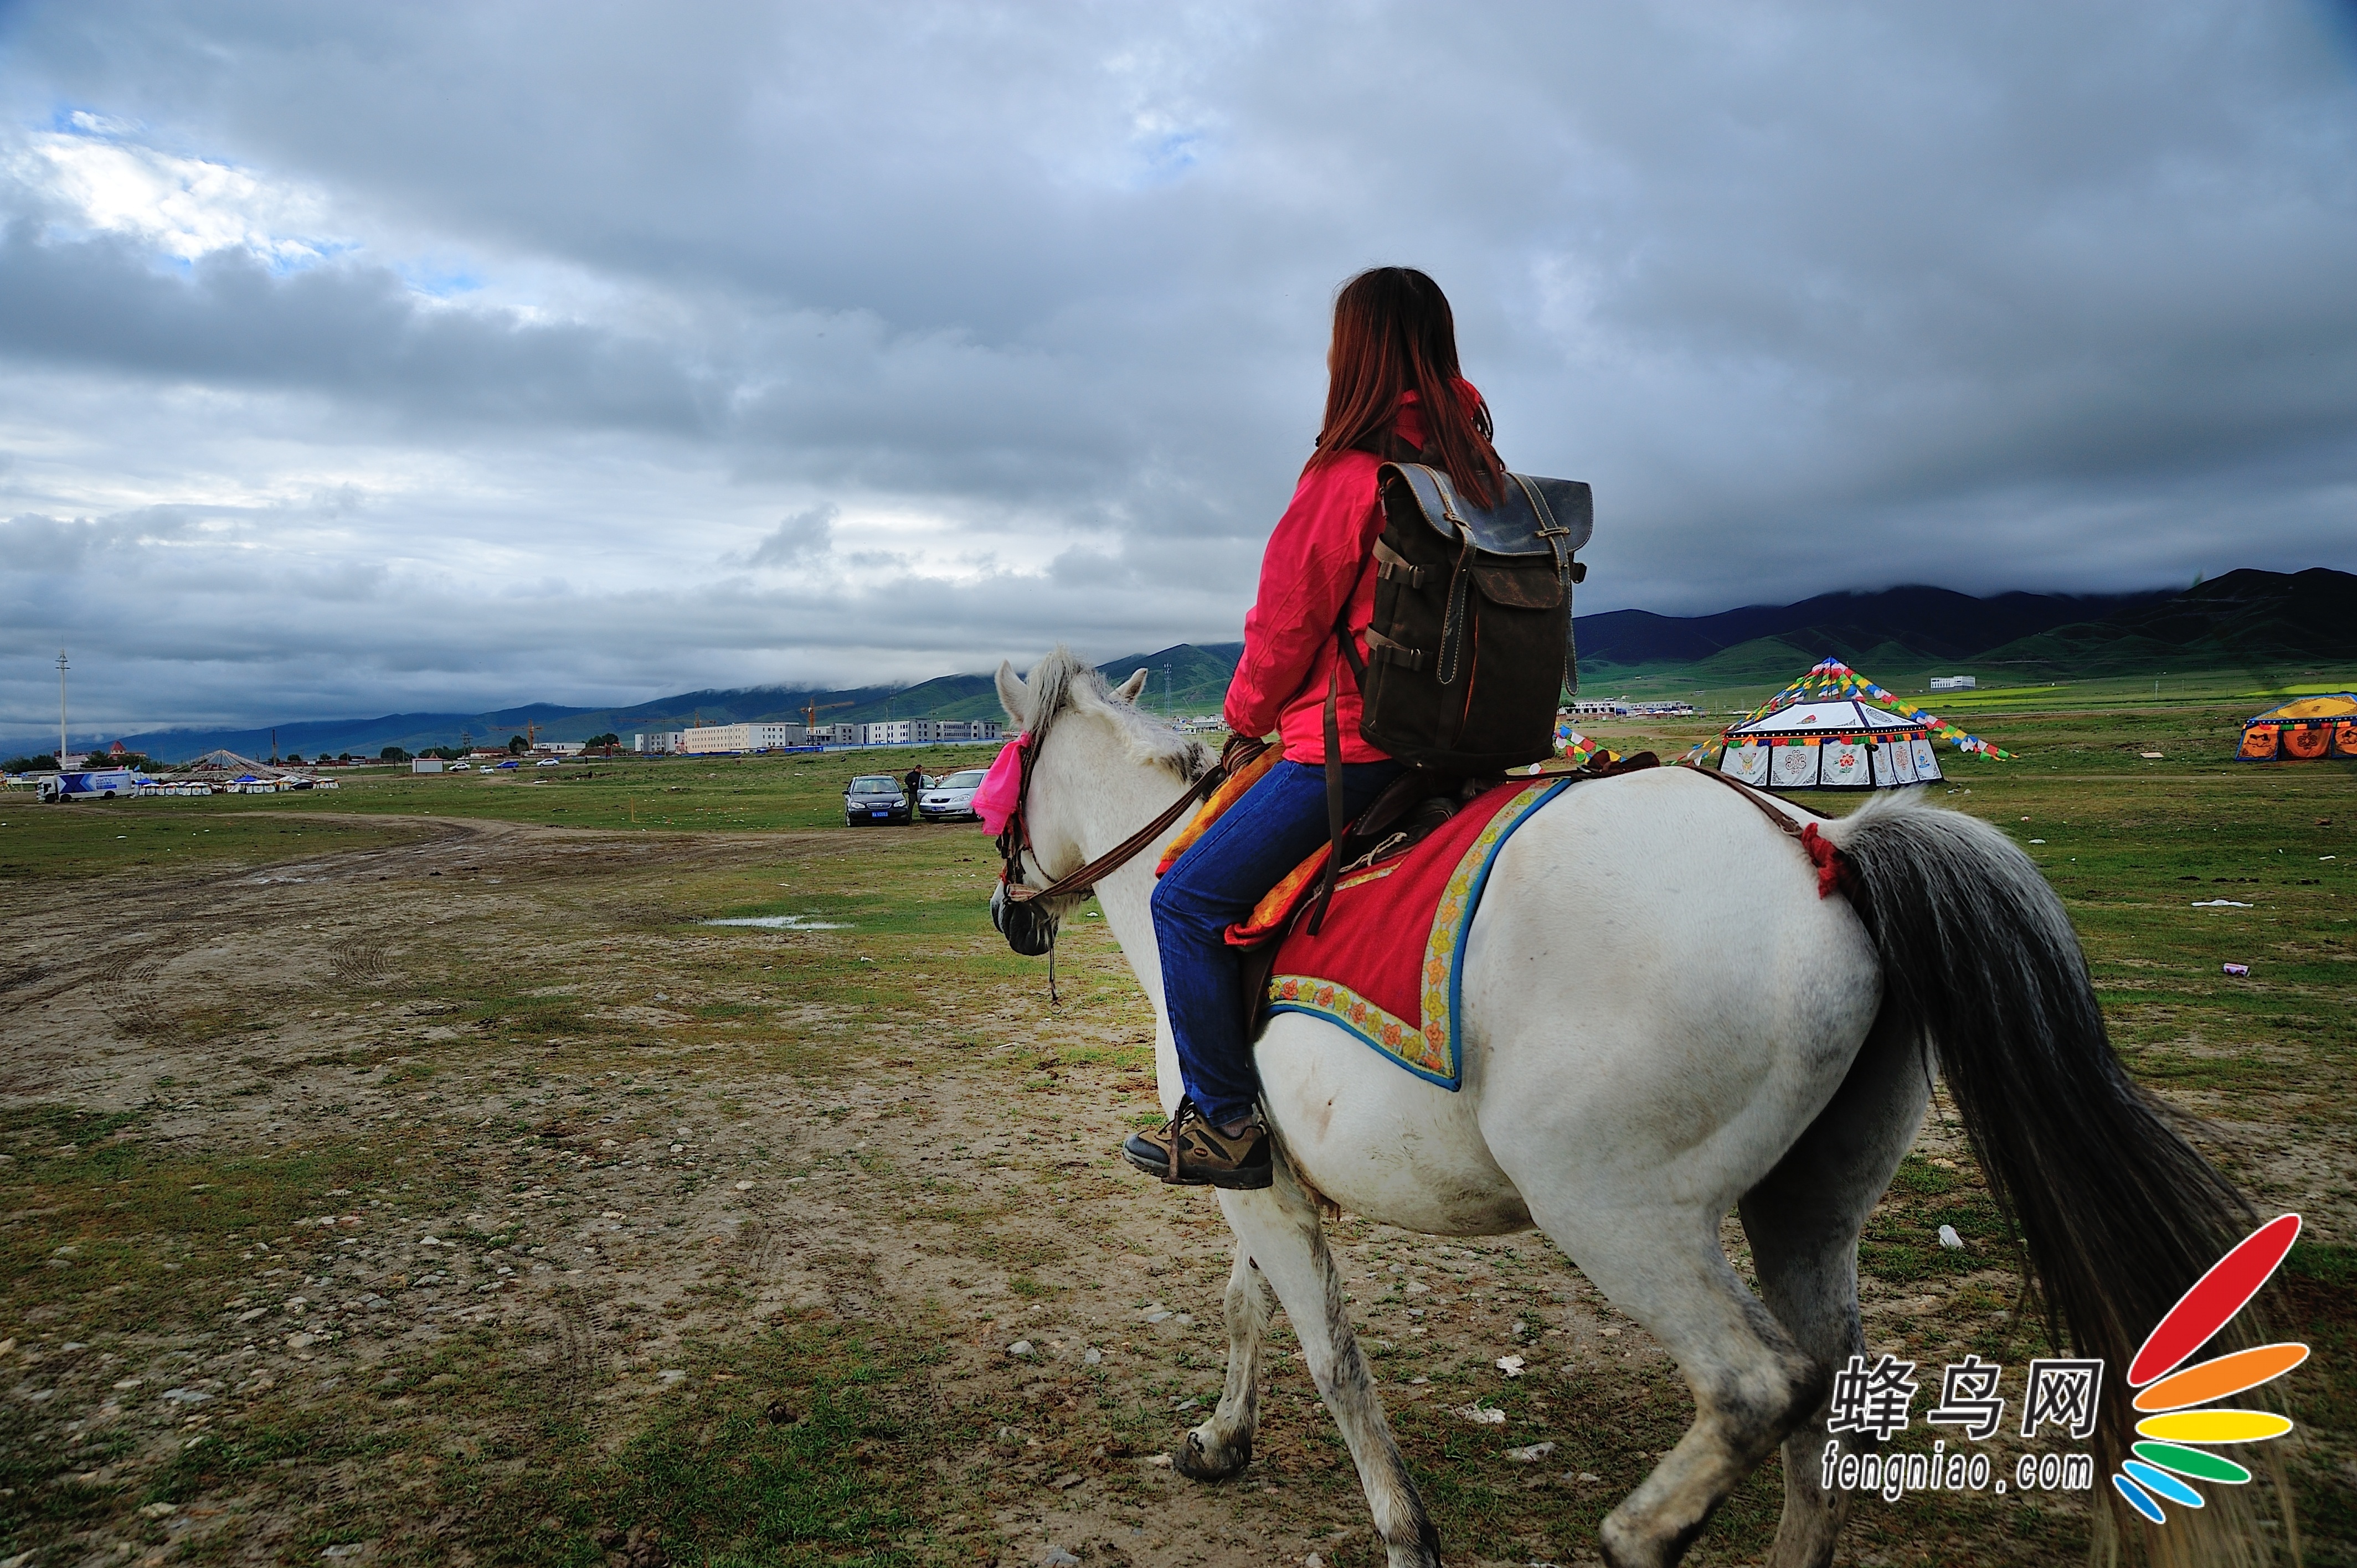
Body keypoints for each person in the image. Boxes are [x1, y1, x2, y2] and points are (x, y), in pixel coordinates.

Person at [1121, 267, 1509, 1189]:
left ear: (1355, 354)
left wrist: (1245, 717)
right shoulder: (1484, 472)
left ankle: (1223, 1124)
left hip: (1361, 750)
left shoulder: (1348, 478)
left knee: (1183, 900)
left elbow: (1286, 625)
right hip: (1484, 744)